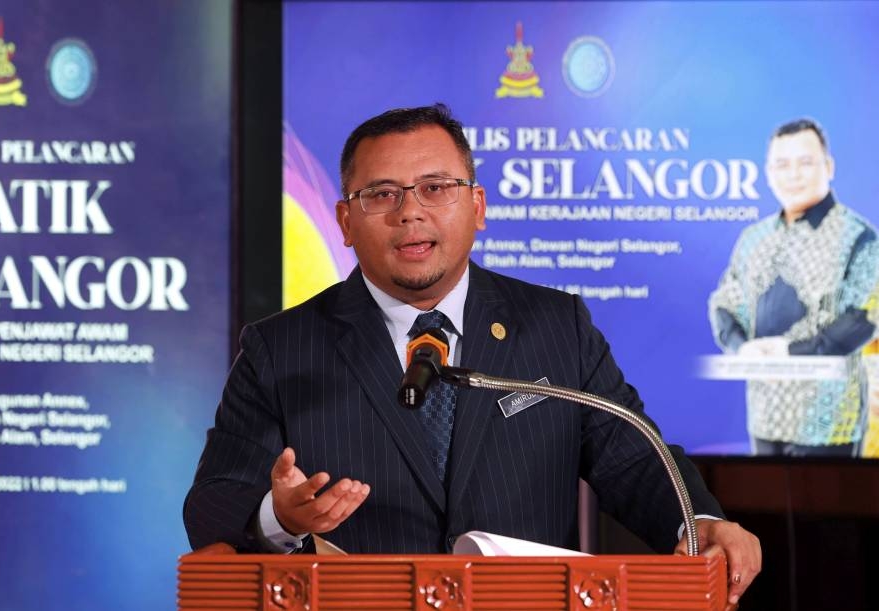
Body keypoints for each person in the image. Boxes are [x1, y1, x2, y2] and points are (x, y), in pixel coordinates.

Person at [186, 105, 760, 606]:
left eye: (435, 187)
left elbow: (633, 457)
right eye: (381, 194)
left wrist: (704, 523)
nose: (410, 212)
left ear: (478, 207)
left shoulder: (557, 326)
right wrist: (281, 518)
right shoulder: (280, 347)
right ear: (344, 221)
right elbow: (213, 506)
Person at [709, 118, 879, 457]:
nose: (793, 174)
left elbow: (864, 318)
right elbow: (725, 303)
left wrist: (786, 354)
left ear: (828, 167)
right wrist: (743, 349)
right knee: (759, 507)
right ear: (769, 172)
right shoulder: (753, 239)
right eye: (782, 165)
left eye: (805, 163)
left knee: (830, 510)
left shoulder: (858, 237)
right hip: (765, 416)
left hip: (830, 424)